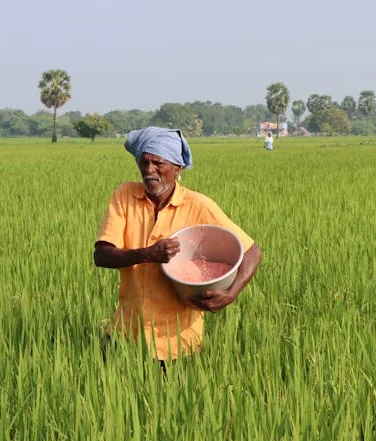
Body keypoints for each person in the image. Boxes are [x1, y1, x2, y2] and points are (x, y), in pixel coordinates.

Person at [94, 126, 262, 362]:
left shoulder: (198, 205)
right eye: (144, 162)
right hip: (125, 334)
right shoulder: (125, 196)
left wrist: (231, 294)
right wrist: (147, 254)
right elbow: (102, 256)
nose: (149, 170)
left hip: (176, 342)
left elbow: (252, 252)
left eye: (158, 163)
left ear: (178, 168)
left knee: (169, 398)